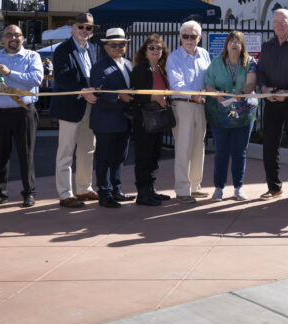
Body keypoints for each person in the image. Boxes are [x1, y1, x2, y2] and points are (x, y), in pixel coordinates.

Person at [0, 25, 43, 208]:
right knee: (0, 155)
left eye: (17, 35)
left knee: (26, 155)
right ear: (2, 39)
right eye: (9, 35)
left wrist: (9, 73)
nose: (13, 38)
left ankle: (29, 193)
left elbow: (37, 79)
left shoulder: (32, 56)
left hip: (24, 112)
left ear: (23, 38)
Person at [50, 13, 100, 208]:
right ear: (73, 28)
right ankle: (65, 193)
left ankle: (84, 188)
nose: (85, 31)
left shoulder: (94, 49)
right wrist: (82, 92)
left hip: (91, 106)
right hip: (70, 106)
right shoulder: (63, 50)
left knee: (88, 149)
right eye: (81, 27)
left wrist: (95, 92)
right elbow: (62, 78)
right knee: (66, 151)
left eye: (89, 28)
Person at [256, 8, 288, 200]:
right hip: (271, 101)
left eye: (283, 22)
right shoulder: (267, 45)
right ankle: (274, 187)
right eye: (275, 22)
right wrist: (263, 88)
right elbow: (260, 71)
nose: (278, 25)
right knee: (269, 146)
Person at [203, 31, 258, 201]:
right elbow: (208, 84)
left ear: (242, 46)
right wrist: (218, 95)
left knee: (240, 151)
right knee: (221, 151)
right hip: (220, 113)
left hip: (243, 113)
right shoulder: (216, 62)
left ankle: (238, 187)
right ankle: (219, 187)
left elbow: (251, 84)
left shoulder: (250, 62)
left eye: (237, 42)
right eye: (231, 41)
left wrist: (240, 94)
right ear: (226, 45)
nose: (234, 44)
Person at [83, 28, 134, 208]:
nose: (118, 48)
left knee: (120, 157)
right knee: (104, 158)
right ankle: (104, 193)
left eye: (122, 44)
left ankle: (116, 190)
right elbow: (99, 90)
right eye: (114, 45)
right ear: (106, 47)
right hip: (106, 120)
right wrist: (119, 96)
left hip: (124, 119)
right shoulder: (99, 67)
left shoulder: (128, 64)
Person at [165, 20, 211, 204]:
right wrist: (194, 95)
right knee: (183, 147)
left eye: (193, 36)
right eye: (186, 36)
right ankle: (183, 189)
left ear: (199, 37)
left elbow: (209, 79)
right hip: (183, 105)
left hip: (201, 106)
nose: (189, 39)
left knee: (198, 147)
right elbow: (176, 84)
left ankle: (195, 186)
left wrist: (208, 93)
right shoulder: (174, 58)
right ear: (180, 37)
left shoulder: (205, 55)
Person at [130, 35, 172, 206]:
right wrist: (155, 97)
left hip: (158, 119)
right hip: (144, 119)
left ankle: (151, 189)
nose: (156, 51)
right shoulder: (140, 69)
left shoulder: (161, 70)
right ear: (145, 51)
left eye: (159, 48)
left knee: (155, 155)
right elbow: (136, 95)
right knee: (143, 157)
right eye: (152, 48)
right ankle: (142, 193)